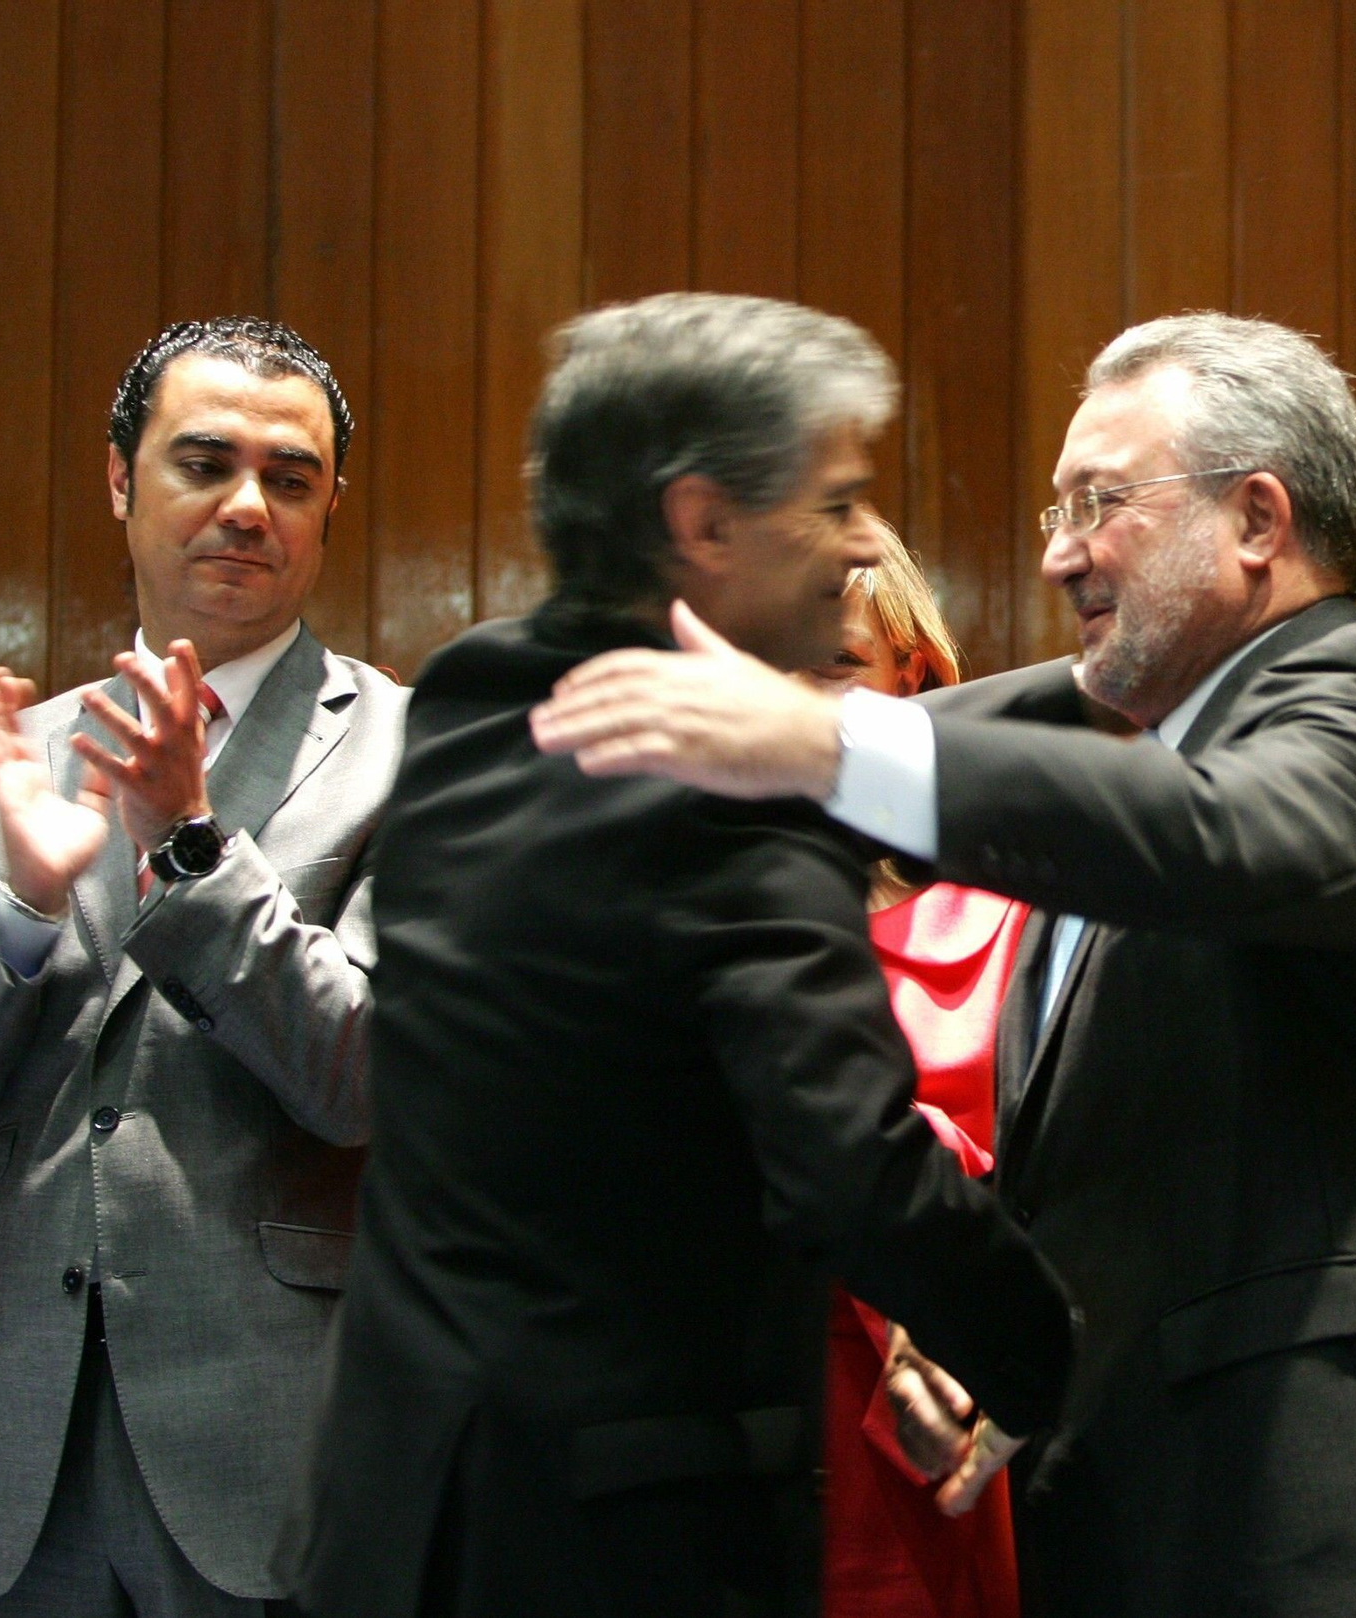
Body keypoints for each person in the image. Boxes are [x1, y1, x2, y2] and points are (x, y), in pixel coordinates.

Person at [532, 312, 1356, 1616]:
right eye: (1052, 506)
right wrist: (1012, 1353)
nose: (1056, 549)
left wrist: (823, 741)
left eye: (1101, 501)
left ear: (1259, 518)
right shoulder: (1131, 774)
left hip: (1308, 1524)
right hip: (1128, 1515)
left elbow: (1227, 838)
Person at [277, 292, 1075, 1618]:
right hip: (615, 1543)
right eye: (834, 500)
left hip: (400, 1514)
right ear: (704, 522)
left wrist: (1083, 686)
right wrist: (1047, 1351)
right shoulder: (731, 798)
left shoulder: (480, 699)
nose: (863, 541)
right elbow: (850, 1164)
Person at [0, 317, 408, 1616]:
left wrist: (193, 848)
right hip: (15, 1460)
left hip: (279, 1447)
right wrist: (21, 905)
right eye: (204, 461)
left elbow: (367, 1077)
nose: (246, 506)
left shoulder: (416, 751)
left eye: (291, 477)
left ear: (330, 505)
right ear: (121, 480)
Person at [806, 521, 1027, 1618]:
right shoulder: (642, 915)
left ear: (914, 682)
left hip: (940, 1460)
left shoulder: (1013, 916)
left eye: (836, 664)